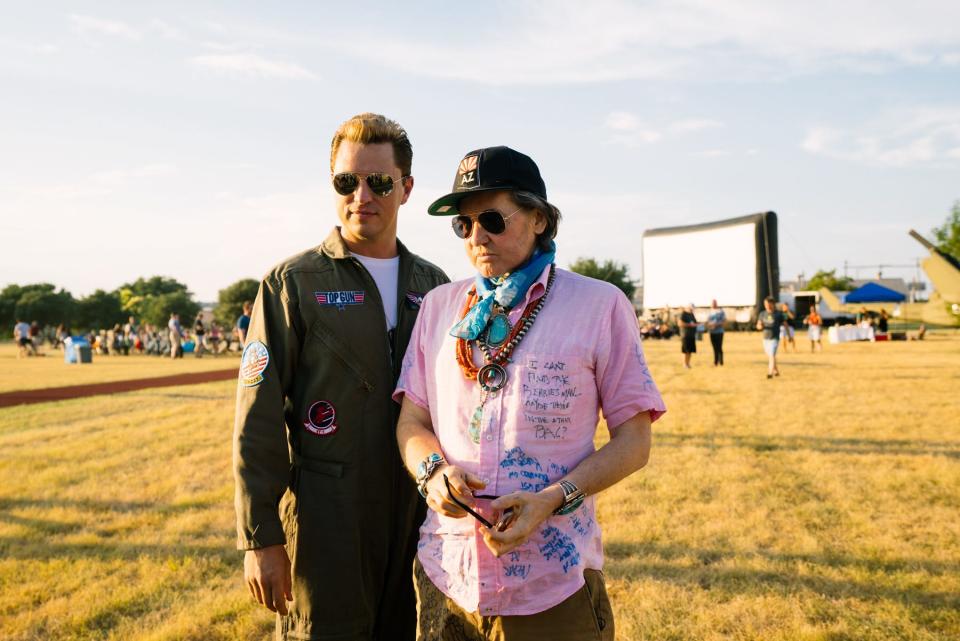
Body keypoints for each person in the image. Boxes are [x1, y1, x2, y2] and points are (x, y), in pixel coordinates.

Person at [394, 146, 665, 640]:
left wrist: (550, 499)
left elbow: (635, 442)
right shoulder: (438, 308)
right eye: (463, 224)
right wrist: (432, 473)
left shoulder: (600, 305)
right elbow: (412, 422)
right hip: (448, 574)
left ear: (538, 218)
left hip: (552, 581)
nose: (477, 236)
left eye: (492, 219)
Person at [233, 112, 449, 641]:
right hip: (328, 516)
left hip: (420, 513)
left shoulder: (437, 286)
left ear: (406, 188)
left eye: (379, 182)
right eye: (345, 181)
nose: (361, 196)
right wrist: (260, 537)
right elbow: (256, 419)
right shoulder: (293, 283)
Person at [756, 297, 784, 379]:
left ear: (772, 304)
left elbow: (785, 324)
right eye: (765, 304)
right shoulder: (762, 314)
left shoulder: (778, 314)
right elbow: (758, 325)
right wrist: (759, 326)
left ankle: (770, 373)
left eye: (768, 304)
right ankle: (776, 371)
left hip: (774, 338)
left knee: (771, 355)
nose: (767, 306)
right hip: (765, 338)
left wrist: (789, 335)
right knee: (770, 356)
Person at [706, 299, 726, 366]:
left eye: (714, 303)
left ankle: (721, 361)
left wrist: (716, 325)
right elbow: (707, 321)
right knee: (714, 347)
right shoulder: (709, 312)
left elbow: (724, 321)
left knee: (719, 346)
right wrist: (710, 325)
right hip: (712, 332)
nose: (713, 304)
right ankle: (715, 362)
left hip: (719, 332)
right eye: (712, 303)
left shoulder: (721, 311)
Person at [679, 303, 697, 368]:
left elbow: (694, 322)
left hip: (692, 335)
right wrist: (689, 325)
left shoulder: (692, 314)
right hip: (685, 335)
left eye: (693, 308)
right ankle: (684, 364)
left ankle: (688, 363)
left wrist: (698, 324)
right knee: (685, 350)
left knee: (690, 350)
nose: (692, 310)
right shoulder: (683, 314)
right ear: (688, 307)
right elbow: (680, 323)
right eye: (691, 308)